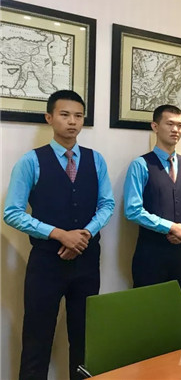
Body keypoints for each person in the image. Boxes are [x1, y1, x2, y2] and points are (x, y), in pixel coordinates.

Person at [3, 90, 115, 380]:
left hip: (87, 261)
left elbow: (107, 204)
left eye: (78, 116)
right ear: (49, 118)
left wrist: (84, 234)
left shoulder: (95, 160)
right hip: (46, 263)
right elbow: (12, 212)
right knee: (37, 339)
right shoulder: (31, 161)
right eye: (65, 115)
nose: (72, 122)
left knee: (85, 338)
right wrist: (59, 235)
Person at [123, 104, 181, 303]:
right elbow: (133, 210)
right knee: (147, 309)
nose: (175, 130)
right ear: (155, 126)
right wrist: (170, 227)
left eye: (180, 125)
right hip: (150, 253)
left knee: (178, 308)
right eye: (170, 124)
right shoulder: (140, 165)